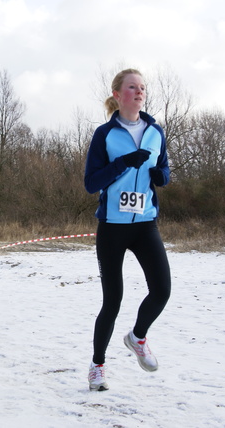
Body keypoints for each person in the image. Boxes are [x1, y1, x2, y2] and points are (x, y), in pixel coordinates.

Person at [84, 68, 171, 391]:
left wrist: (162, 175)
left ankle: (137, 337)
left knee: (162, 289)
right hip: (112, 227)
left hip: (145, 223)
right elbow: (91, 183)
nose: (139, 92)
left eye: (142, 87)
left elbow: (163, 169)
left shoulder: (155, 132)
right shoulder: (105, 135)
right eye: (132, 87)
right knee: (113, 300)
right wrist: (123, 163)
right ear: (118, 95)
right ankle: (97, 366)